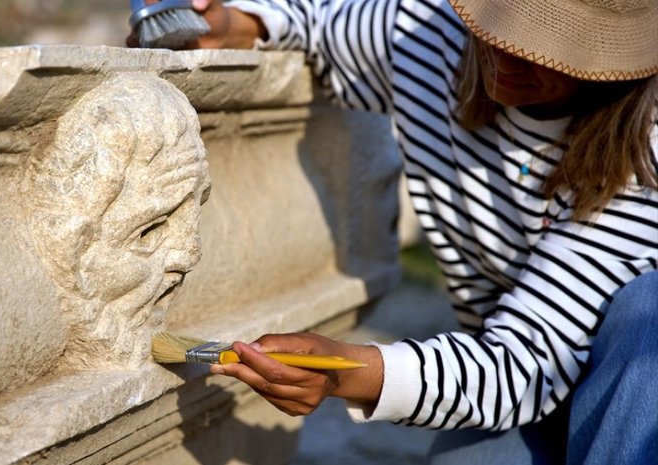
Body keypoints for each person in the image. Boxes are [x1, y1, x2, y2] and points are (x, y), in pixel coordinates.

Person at [133, 0, 658, 463]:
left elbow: (523, 363)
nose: (508, 55)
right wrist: (234, 23)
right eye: (501, 24)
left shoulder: (646, 153)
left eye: (551, 51)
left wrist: (349, 372)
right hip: (505, 359)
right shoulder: (431, 34)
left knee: (649, 310)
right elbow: (316, 21)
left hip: (620, 373)